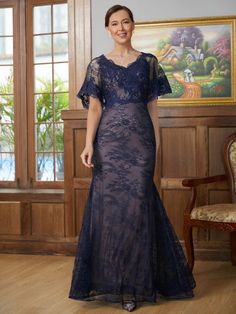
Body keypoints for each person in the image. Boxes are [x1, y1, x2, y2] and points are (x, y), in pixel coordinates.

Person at [69, 4, 196, 312]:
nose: (121, 27)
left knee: (138, 210)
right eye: (115, 23)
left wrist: (157, 143)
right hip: (109, 145)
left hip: (141, 145)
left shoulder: (149, 63)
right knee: (112, 213)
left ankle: (138, 287)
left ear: (133, 25)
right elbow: (95, 109)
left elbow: (153, 109)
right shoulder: (97, 65)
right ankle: (116, 285)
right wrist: (88, 145)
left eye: (126, 22)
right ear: (108, 29)